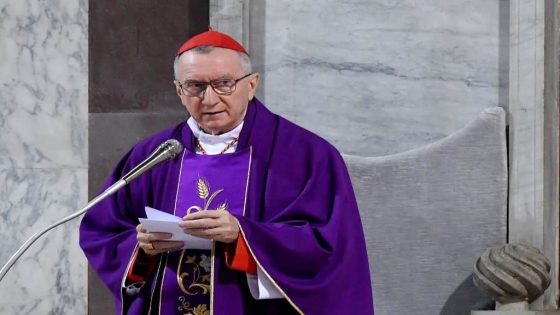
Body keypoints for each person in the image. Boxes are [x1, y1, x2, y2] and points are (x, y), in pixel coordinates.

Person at [79, 28, 374, 315]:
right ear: (178, 91)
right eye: (195, 86)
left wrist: (242, 235)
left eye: (224, 83)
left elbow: (330, 246)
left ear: (252, 84)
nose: (209, 99)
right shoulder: (153, 155)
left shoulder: (307, 155)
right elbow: (103, 231)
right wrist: (142, 248)